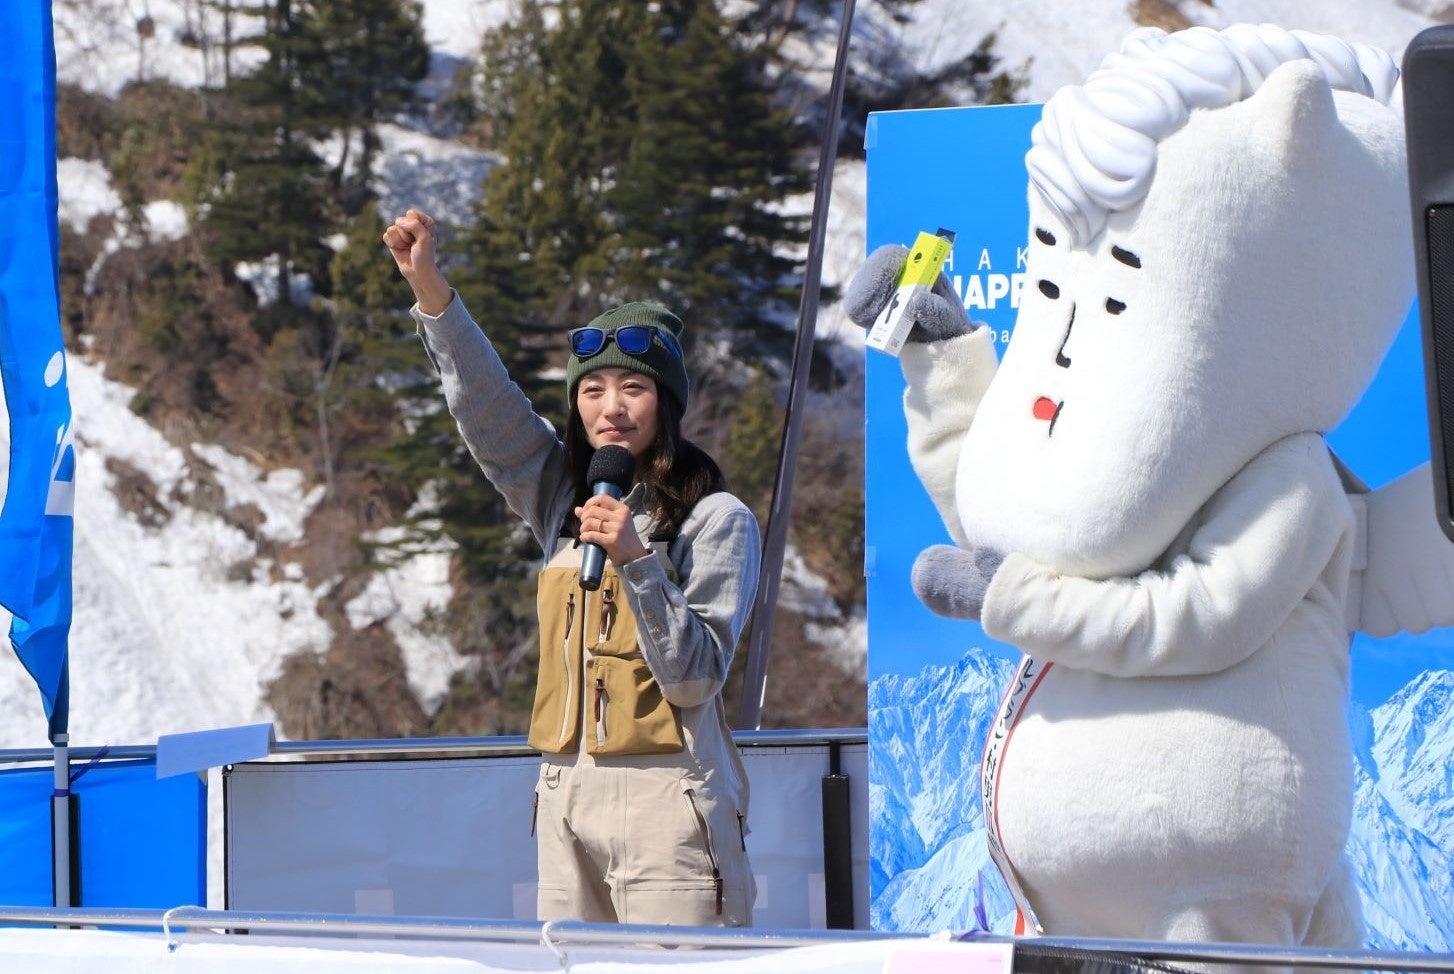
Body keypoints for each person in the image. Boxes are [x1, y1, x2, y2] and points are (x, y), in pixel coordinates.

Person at [383, 208, 759, 927]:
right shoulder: (565, 498)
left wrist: (638, 561)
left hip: (668, 799)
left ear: (667, 404)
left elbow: (696, 677)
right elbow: (490, 415)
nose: (610, 408)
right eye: (592, 391)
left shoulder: (718, 518)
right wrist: (430, 289)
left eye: (633, 389)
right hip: (564, 794)